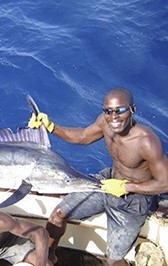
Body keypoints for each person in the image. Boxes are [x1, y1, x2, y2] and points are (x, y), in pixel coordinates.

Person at [27, 87, 168, 266]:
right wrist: (51, 127)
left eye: (120, 110)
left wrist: (126, 187)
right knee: (57, 216)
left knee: (114, 259)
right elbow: (83, 136)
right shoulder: (105, 122)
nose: (114, 116)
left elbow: (165, 183)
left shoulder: (147, 141)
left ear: (132, 109)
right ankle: (49, 259)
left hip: (134, 200)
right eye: (108, 111)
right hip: (107, 182)